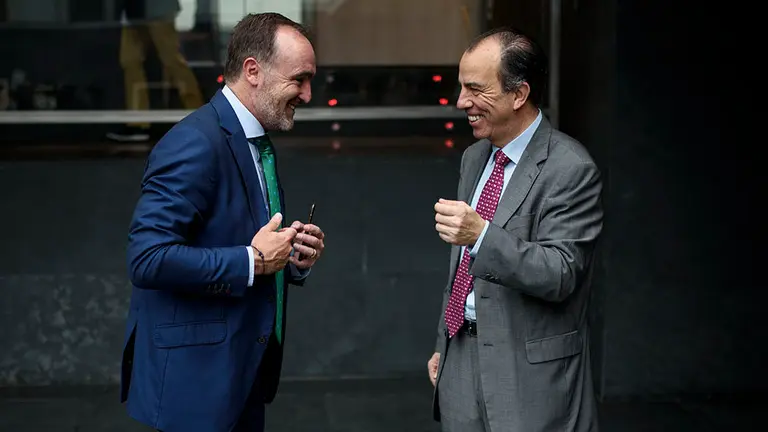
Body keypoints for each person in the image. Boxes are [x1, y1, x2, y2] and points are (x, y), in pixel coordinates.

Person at [120, 13, 324, 432]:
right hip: (195, 386)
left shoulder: (252, 138)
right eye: (299, 79)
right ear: (253, 71)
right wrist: (253, 260)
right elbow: (147, 259)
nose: (307, 94)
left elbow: (239, 237)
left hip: (240, 374)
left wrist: (289, 255)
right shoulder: (194, 142)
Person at [428, 27, 603, 432]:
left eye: (475, 89)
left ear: (519, 94)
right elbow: (461, 270)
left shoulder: (570, 167)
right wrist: (444, 343)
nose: (461, 101)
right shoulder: (474, 157)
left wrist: (481, 235)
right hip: (460, 358)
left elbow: (561, 273)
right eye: (461, 87)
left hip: (529, 375)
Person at [107, 0, 204, 142]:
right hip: (133, 11)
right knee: (130, 61)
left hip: (156, 8)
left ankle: (199, 115)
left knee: (171, 60)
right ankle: (138, 123)